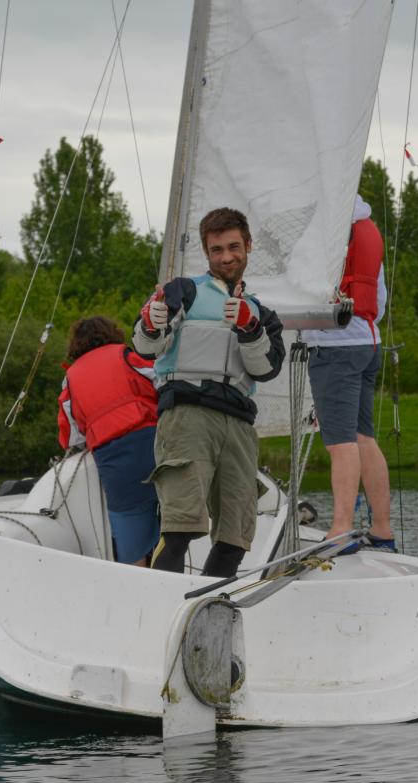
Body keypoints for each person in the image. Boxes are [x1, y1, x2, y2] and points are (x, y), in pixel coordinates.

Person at [133, 207, 286, 578]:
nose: (226, 257)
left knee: (236, 535)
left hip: (239, 424)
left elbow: (266, 369)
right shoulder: (184, 291)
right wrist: (150, 324)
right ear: (206, 252)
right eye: (217, 250)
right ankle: (160, 602)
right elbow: (146, 346)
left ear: (248, 246)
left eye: (233, 247)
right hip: (188, 415)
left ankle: (209, 602)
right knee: (179, 526)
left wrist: (250, 328)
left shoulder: (263, 315)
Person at [302, 194, 394, 552]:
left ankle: (340, 530)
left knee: (340, 443)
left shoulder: (326, 230)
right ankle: (382, 530)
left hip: (334, 347)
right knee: (363, 437)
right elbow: (379, 304)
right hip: (368, 342)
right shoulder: (367, 230)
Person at [57, 316, 160, 565]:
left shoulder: (71, 378)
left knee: (132, 541)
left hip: (114, 460)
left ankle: (139, 577)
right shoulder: (124, 355)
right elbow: (161, 380)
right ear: (111, 333)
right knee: (174, 525)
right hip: (153, 443)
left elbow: (70, 436)